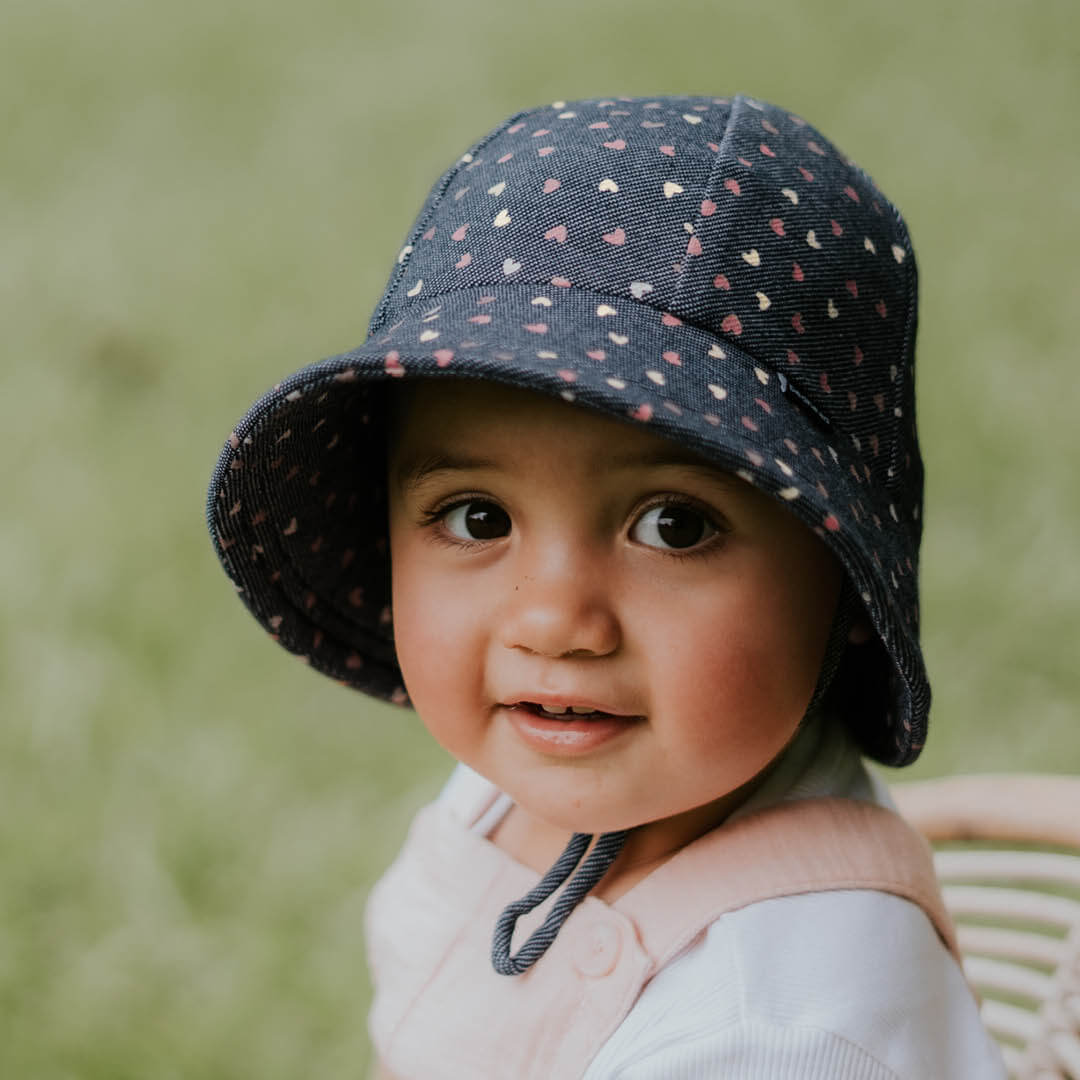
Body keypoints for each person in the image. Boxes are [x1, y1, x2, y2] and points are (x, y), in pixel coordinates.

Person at [207, 93, 1007, 1077]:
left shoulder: (778, 1024)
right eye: (478, 518)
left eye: (674, 526)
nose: (553, 621)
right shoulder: (532, 776)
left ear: (843, 579)